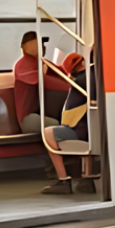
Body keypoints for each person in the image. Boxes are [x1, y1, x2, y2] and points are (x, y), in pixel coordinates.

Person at [41, 53, 99, 195]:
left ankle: (63, 179)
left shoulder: (82, 80)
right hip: (89, 128)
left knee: (47, 133)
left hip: (80, 129)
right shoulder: (93, 76)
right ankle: (87, 178)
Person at [13, 31, 71, 134]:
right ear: (28, 45)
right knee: (59, 126)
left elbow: (60, 72)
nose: (43, 46)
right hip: (28, 118)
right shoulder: (22, 64)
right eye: (39, 43)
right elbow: (37, 78)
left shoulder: (40, 62)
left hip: (41, 112)